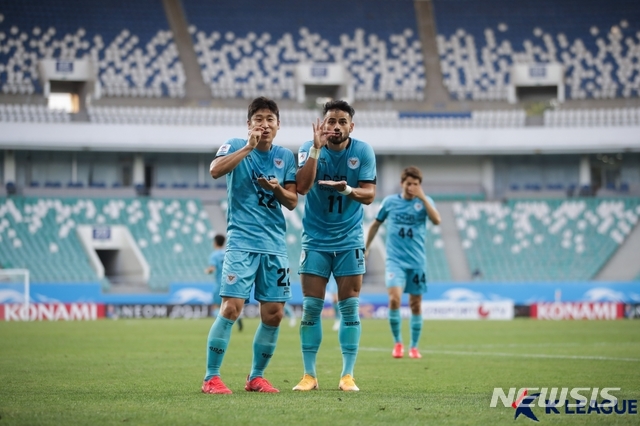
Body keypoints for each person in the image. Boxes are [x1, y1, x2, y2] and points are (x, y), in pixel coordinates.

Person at [201, 97, 298, 395]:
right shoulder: (234, 145)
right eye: (258, 119)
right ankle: (211, 378)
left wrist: (277, 188)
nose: (264, 124)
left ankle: (256, 377)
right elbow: (215, 170)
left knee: (274, 314)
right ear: (249, 124)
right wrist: (248, 148)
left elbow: (292, 201)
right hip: (242, 242)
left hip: (274, 246)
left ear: (278, 125)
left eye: (270, 119)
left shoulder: (286, 157)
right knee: (231, 308)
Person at [293, 99, 376, 392]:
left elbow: (369, 195)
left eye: (342, 122)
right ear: (322, 124)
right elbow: (301, 187)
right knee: (311, 308)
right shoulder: (307, 148)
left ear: (351, 126)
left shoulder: (363, 151)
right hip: (315, 241)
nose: (336, 127)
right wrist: (315, 149)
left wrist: (348, 189)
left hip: (349, 239)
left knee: (350, 310)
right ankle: (309, 376)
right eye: (331, 121)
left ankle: (347, 375)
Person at [365, 166, 441, 359]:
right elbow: (375, 224)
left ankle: (414, 347)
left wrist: (423, 198)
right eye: (409, 184)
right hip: (395, 261)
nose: (412, 187)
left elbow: (437, 221)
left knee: (415, 304)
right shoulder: (390, 202)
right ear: (402, 184)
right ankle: (398, 343)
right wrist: (366, 247)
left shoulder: (425, 202)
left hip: (417, 262)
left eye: (415, 184)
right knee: (394, 299)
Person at [205, 234, 243, 331]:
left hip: (219, 283)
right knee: (229, 304)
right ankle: (238, 318)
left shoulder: (214, 255)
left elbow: (212, 268)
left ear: (215, 243)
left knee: (216, 306)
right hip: (230, 282)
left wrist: (207, 270)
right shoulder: (228, 253)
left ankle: (219, 327)